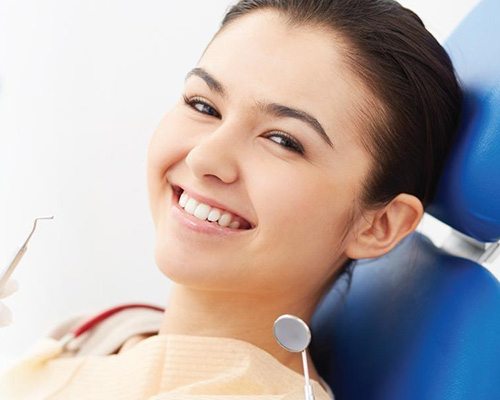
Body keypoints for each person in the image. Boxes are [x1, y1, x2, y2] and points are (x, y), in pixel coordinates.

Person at [0, 0, 463, 398]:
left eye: (283, 140)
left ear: (378, 225)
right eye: (203, 106)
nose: (206, 156)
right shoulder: (112, 328)